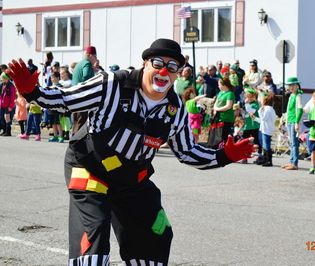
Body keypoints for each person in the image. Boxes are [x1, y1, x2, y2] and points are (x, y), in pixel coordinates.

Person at [7, 38, 255, 265]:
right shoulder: (111, 84)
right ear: (145, 64)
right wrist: (33, 92)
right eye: (157, 63)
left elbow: (187, 152)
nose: (163, 71)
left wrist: (223, 156)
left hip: (131, 180)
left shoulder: (175, 108)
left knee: (157, 235)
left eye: (172, 67)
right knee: (93, 241)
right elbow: (65, 99)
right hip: (90, 169)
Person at [71, 45, 97, 135]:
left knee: (76, 121)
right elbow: (85, 75)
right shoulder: (87, 63)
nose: (95, 60)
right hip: (82, 96)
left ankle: (73, 140)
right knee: (82, 121)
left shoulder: (79, 64)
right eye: (95, 57)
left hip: (74, 96)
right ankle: (77, 144)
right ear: (90, 55)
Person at [281, 77, 303, 170]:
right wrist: (285, 120)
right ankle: (291, 161)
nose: (290, 87)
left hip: (294, 121)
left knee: (294, 143)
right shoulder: (291, 96)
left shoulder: (298, 95)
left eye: (291, 85)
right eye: (289, 85)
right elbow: (288, 110)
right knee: (291, 143)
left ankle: (295, 163)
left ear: (296, 85)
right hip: (289, 120)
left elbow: (300, 109)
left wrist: (297, 123)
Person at [213, 77, 236, 144]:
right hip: (219, 118)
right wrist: (215, 108)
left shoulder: (230, 94)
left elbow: (228, 106)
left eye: (219, 84)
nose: (218, 86)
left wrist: (217, 109)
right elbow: (216, 102)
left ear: (224, 85)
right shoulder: (220, 93)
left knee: (225, 137)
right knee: (219, 137)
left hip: (227, 119)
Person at [242, 88, 261, 164]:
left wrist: (246, 104)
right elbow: (246, 115)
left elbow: (251, 112)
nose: (246, 99)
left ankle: (260, 156)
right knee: (244, 142)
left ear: (253, 97)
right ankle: (245, 157)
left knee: (256, 141)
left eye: (247, 97)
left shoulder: (255, 104)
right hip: (247, 126)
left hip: (254, 126)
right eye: (246, 97)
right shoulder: (248, 104)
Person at [258, 94, 276, 167]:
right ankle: (265, 159)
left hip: (266, 129)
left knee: (266, 145)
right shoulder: (271, 109)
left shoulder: (267, 109)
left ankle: (268, 160)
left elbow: (263, 118)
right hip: (267, 128)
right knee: (265, 144)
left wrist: (260, 111)